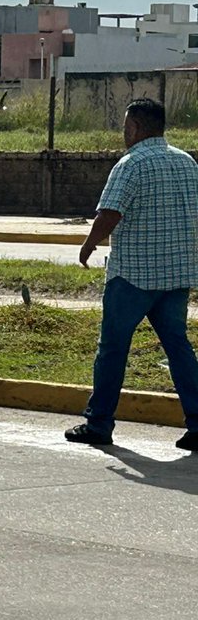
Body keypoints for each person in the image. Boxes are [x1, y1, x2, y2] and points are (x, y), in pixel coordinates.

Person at [66, 97, 198, 450]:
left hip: (134, 276)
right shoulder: (187, 163)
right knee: (179, 348)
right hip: (176, 275)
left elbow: (110, 213)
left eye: (126, 127)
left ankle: (99, 423)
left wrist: (89, 244)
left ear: (135, 127)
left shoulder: (131, 164)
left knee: (112, 349)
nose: (124, 134)